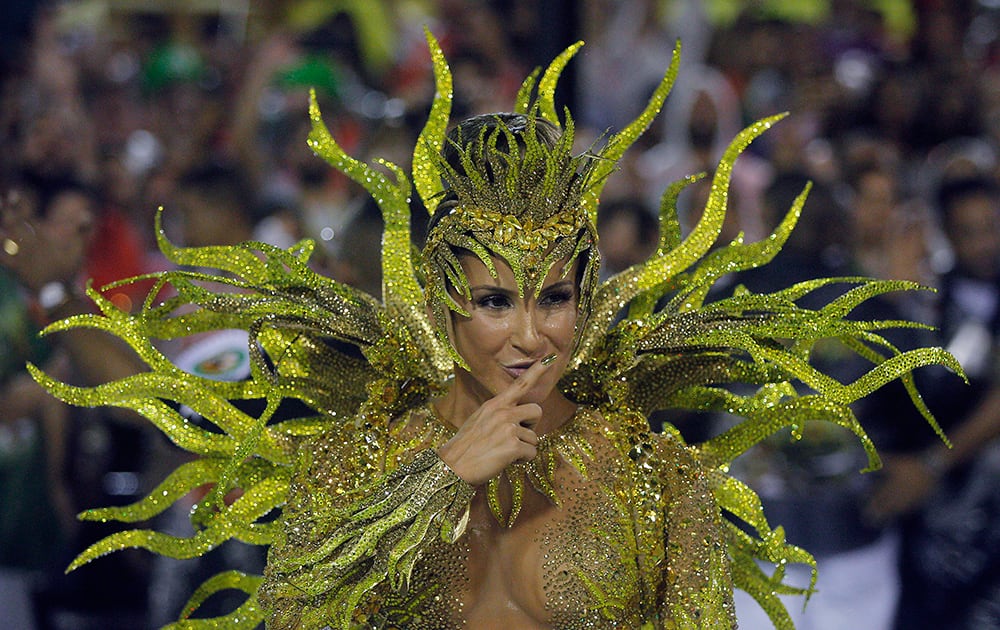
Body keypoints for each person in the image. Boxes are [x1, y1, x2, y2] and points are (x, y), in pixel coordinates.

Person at [40, 34, 958, 629]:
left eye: (554, 299)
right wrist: (436, 479)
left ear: (586, 304)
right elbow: (291, 617)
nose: (529, 335)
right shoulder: (355, 460)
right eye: (492, 302)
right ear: (442, 304)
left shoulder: (659, 479)